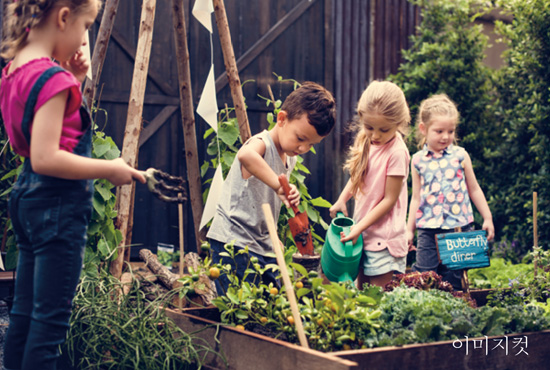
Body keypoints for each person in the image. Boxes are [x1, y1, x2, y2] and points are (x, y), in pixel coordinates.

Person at [0, 1, 146, 369]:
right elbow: (46, 156)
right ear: (64, 17)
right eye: (85, 26)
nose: (84, 38)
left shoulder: (15, 69)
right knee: (49, 327)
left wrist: (75, 80)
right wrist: (108, 168)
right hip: (57, 209)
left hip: (28, 201)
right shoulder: (52, 79)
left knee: (24, 313)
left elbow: (38, 136)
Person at [207, 82, 336, 295]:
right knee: (239, 308)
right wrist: (279, 185)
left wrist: (274, 235)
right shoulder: (261, 143)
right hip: (234, 242)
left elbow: (265, 201)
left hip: (262, 244)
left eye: (311, 145)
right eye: (301, 139)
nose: (303, 148)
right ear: (282, 119)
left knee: (268, 306)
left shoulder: (289, 159)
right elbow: (245, 156)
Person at [406, 94, 495, 290]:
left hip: (458, 228)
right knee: (425, 275)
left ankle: (455, 315)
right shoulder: (418, 160)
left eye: (450, 131)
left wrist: (487, 217)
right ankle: (425, 314)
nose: (446, 136)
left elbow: (474, 189)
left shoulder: (460, 155)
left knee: (454, 278)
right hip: (428, 229)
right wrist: (408, 229)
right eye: (439, 131)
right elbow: (416, 198)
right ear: (423, 129)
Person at [330, 80, 411, 289]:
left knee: (379, 298)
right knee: (361, 295)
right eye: (369, 127)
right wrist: (342, 199)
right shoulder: (366, 140)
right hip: (363, 233)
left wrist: (358, 227)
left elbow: (389, 200)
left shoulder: (397, 152)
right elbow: (359, 175)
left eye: (384, 129)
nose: (375, 135)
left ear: (399, 122)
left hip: (385, 239)